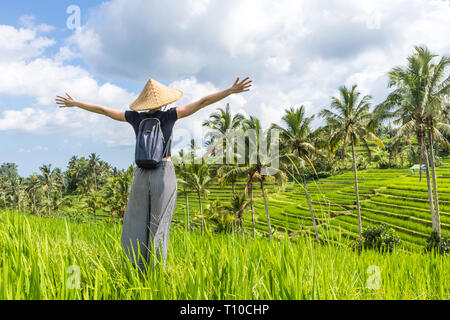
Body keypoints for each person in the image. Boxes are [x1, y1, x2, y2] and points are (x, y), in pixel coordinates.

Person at [55, 77, 252, 270]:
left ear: (144, 102)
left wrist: (76, 103)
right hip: (163, 173)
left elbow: (103, 110)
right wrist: (229, 91)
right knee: (159, 223)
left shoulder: (135, 117)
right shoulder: (170, 115)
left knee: (136, 222)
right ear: (164, 101)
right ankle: (156, 271)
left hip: (140, 174)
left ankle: (134, 268)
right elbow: (202, 102)